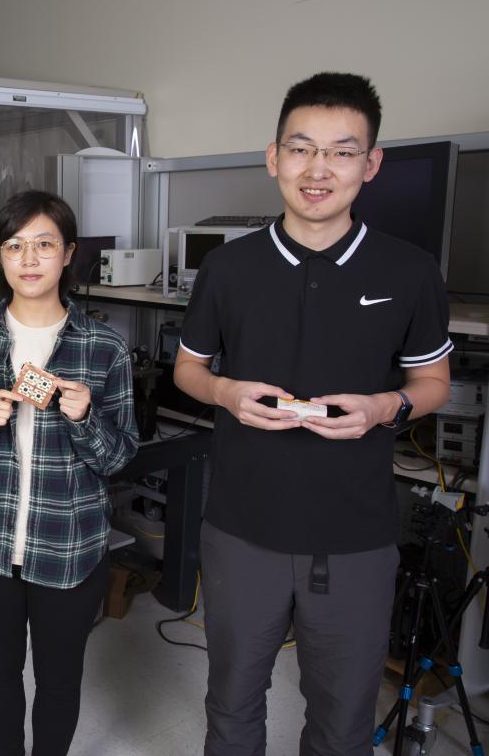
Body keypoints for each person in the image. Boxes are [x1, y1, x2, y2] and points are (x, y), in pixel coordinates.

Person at [174, 72, 453, 755]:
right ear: (274, 158)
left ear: (371, 164)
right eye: (301, 149)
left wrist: (388, 405)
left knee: (343, 717)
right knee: (233, 705)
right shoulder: (229, 268)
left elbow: (434, 380)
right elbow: (189, 368)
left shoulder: (411, 271)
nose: (318, 169)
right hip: (242, 529)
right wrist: (225, 393)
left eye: (342, 150)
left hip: (354, 536)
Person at [0, 189, 138, 756]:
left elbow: (120, 458)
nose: (30, 258)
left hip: (69, 546)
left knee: (60, 679)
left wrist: (86, 417)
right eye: (14, 245)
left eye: (44, 244)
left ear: (68, 253)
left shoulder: (105, 347)